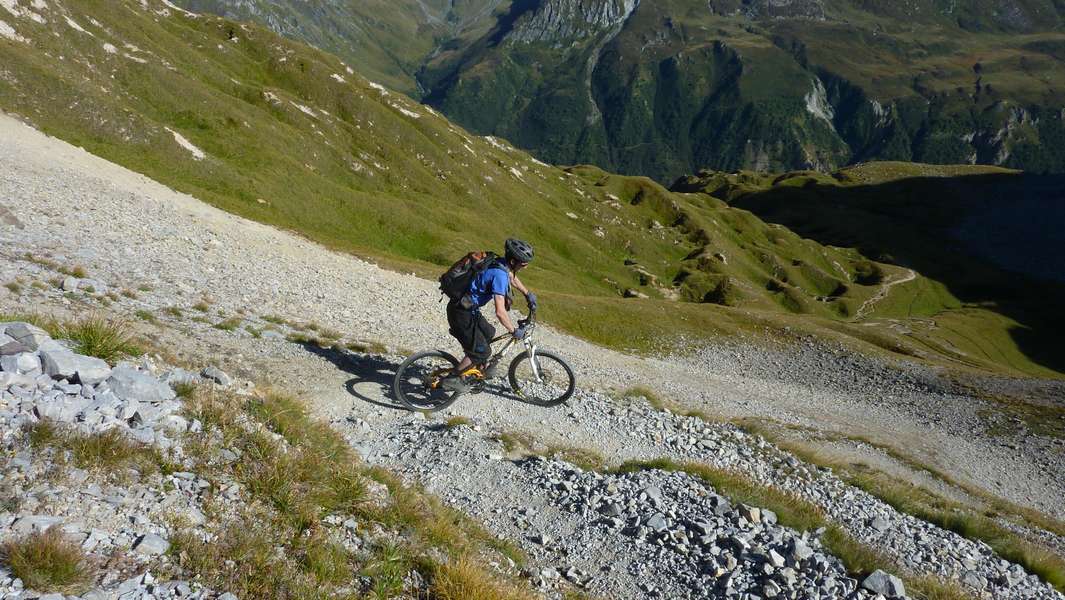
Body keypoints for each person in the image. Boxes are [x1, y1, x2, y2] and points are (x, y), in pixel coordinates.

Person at [442, 238, 537, 392]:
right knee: (482, 352)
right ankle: (453, 379)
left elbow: (511, 277)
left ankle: (475, 370)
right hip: (461, 314)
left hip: (466, 309)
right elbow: (500, 312)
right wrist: (513, 330)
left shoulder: (499, 263)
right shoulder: (499, 275)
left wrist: (527, 293)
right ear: (513, 261)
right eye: (523, 263)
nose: (525, 267)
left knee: (489, 332)